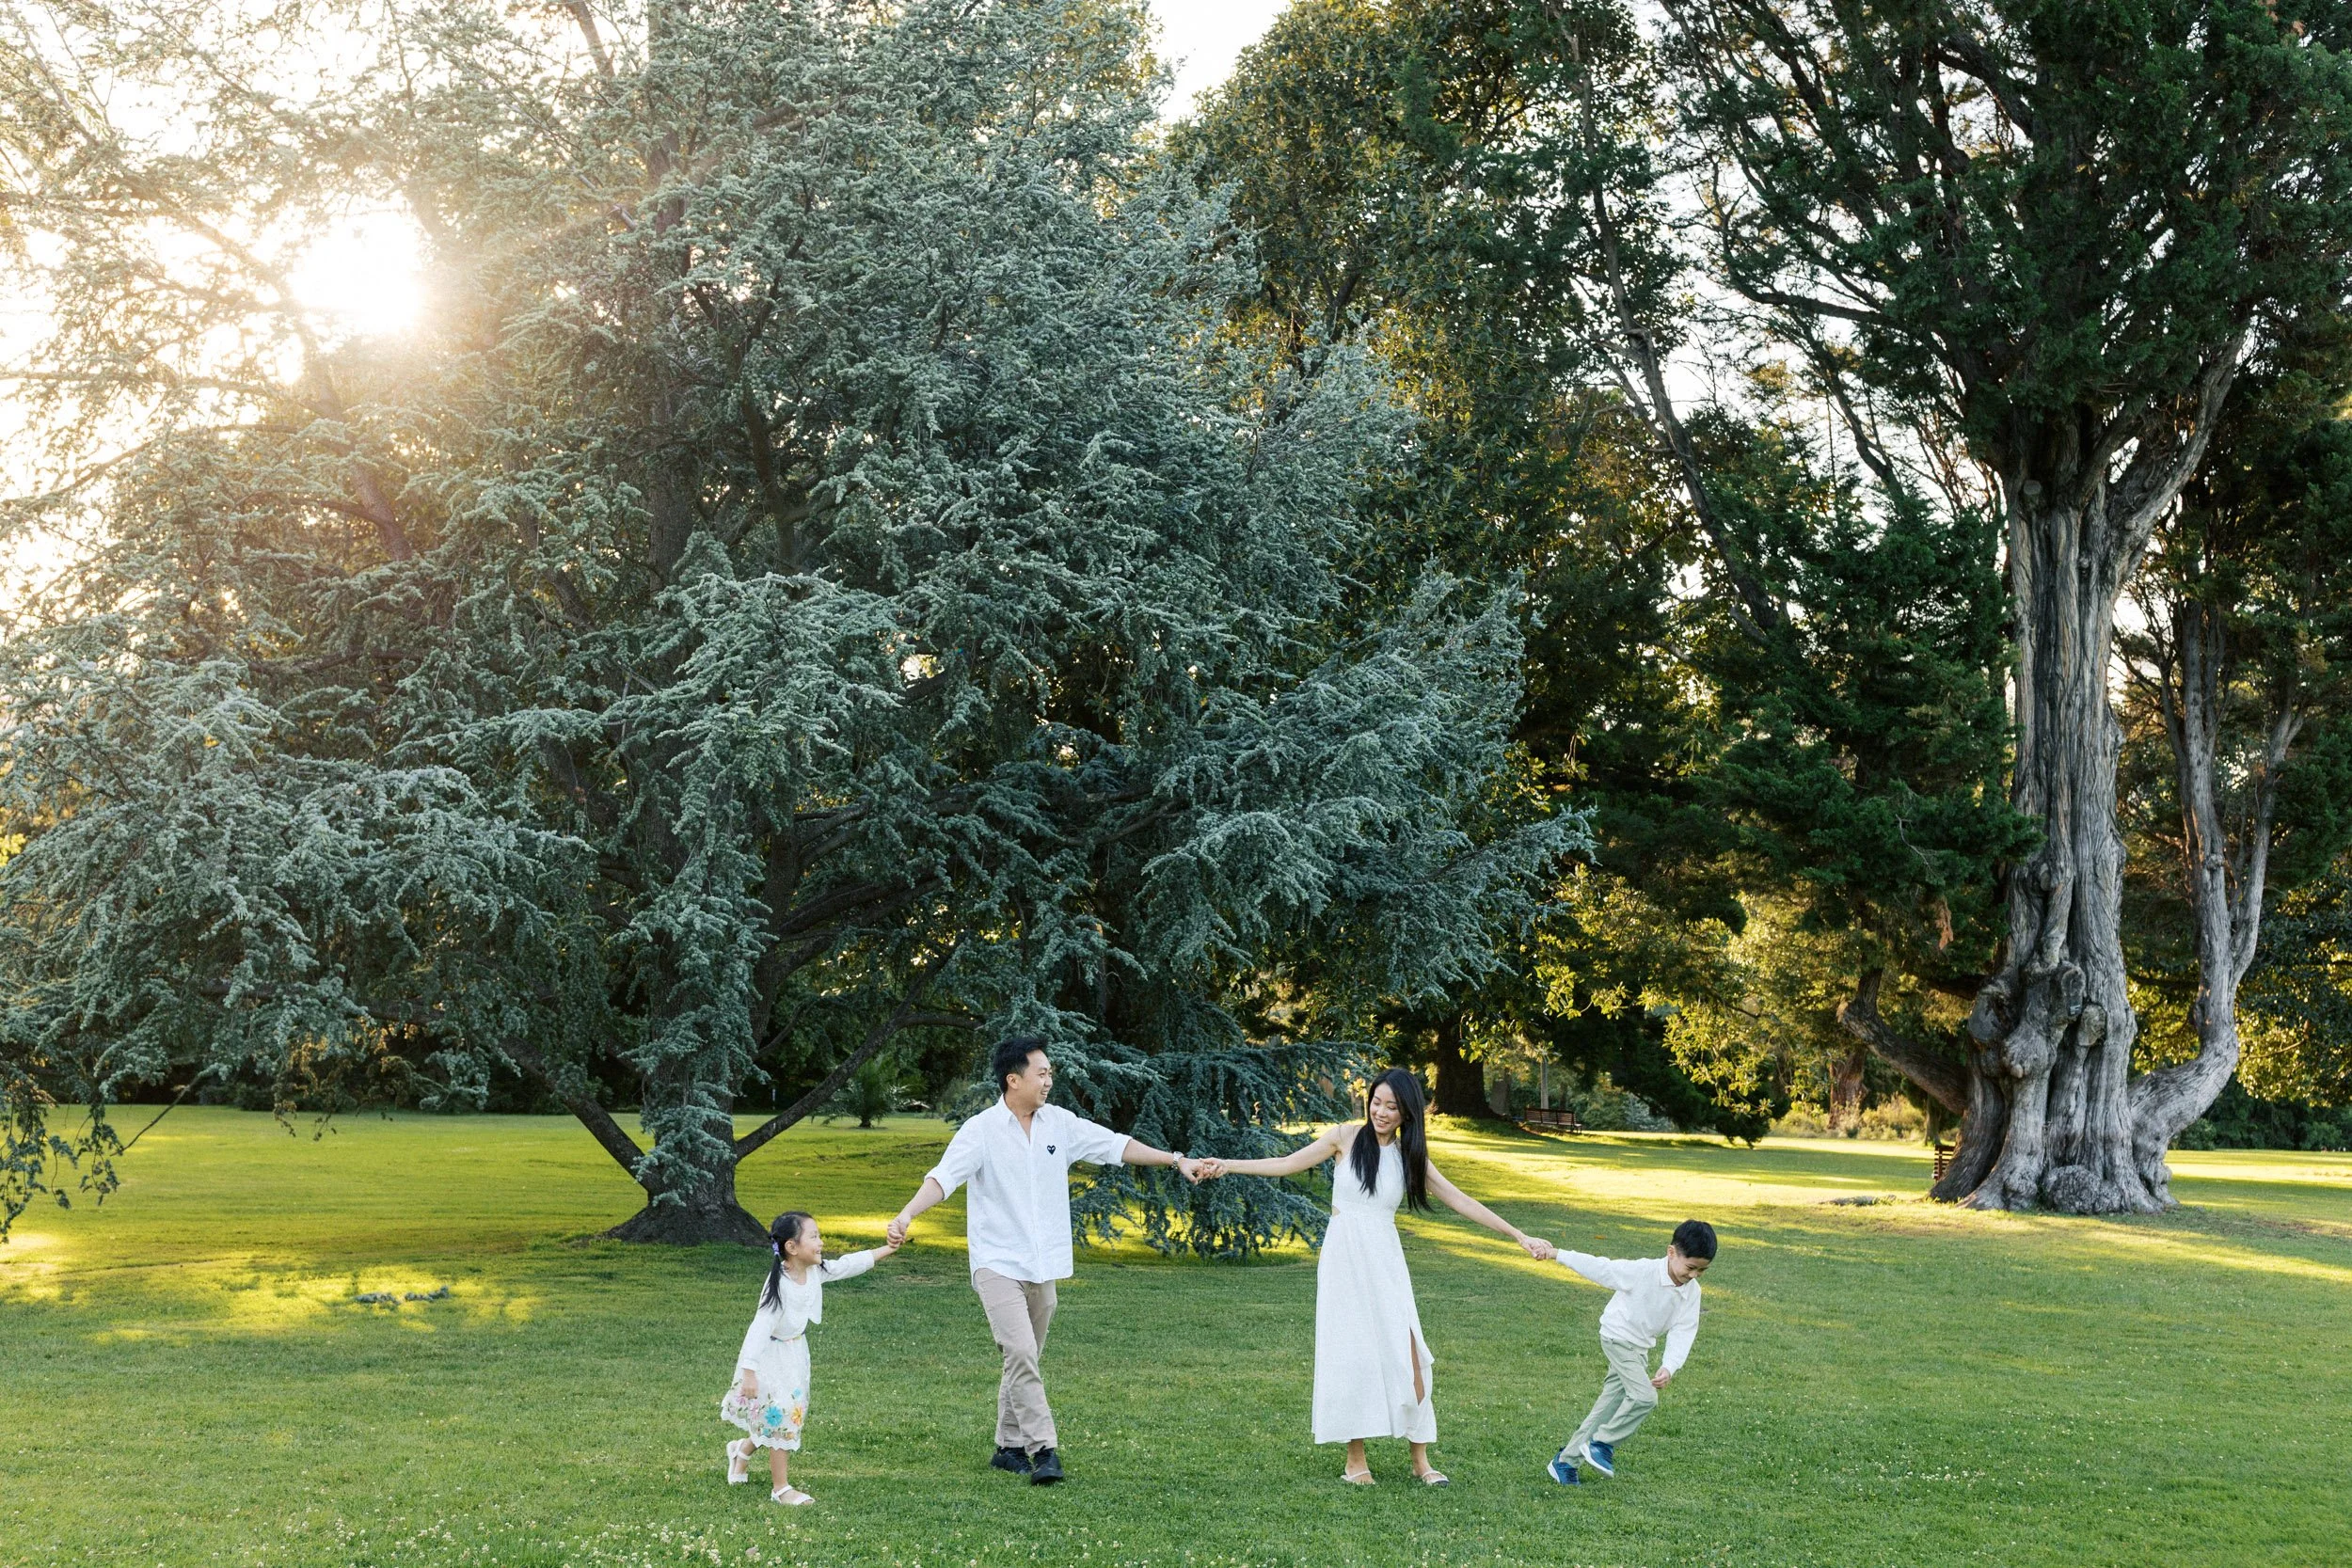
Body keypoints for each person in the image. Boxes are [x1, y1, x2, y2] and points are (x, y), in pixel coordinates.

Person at [1201, 1067, 1552, 1486]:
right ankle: (1355, 1461)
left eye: (1392, 1106)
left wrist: (1517, 1234)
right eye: (1377, 1102)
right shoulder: (1343, 1138)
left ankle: (1421, 1460)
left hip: (1385, 1260)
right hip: (1343, 1259)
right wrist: (1227, 1165)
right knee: (1351, 1353)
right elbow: (1284, 1164)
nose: (1381, 1112)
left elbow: (1460, 1199)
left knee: (1412, 1355)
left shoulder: (1409, 1156)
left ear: (1407, 1113)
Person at [885, 1036, 1206, 1485]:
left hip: (1044, 1264)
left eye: (1050, 1072)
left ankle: (1007, 1446)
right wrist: (906, 1213)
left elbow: (1115, 1146)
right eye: (1042, 1073)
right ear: (1013, 1079)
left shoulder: (1060, 1123)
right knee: (1019, 1351)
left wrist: (1176, 1160)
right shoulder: (980, 1130)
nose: (1049, 1080)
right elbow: (943, 1179)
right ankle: (1044, 1449)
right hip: (996, 1262)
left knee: (1024, 1358)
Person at [721, 1210, 899, 1505]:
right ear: (792, 1247)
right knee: (780, 1414)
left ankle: (740, 1450)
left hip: (795, 1353)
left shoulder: (816, 1270)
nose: (820, 1242)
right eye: (814, 1237)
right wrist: (748, 1371)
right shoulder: (779, 1285)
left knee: (776, 1413)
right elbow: (759, 1328)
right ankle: (780, 1488)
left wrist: (887, 1249)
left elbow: (849, 1264)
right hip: (770, 1356)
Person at [1539, 1218, 1716, 1485]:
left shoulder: (1692, 1292)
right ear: (1671, 1253)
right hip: (1616, 1338)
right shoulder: (1642, 1271)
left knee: (1606, 1407)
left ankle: (1565, 1462)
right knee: (1645, 1398)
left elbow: (1684, 1330)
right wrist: (1556, 1254)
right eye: (1690, 1267)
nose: (1693, 1275)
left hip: (1639, 1348)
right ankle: (1602, 1445)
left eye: (1701, 1271)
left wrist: (1669, 1366)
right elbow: (1601, 1268)